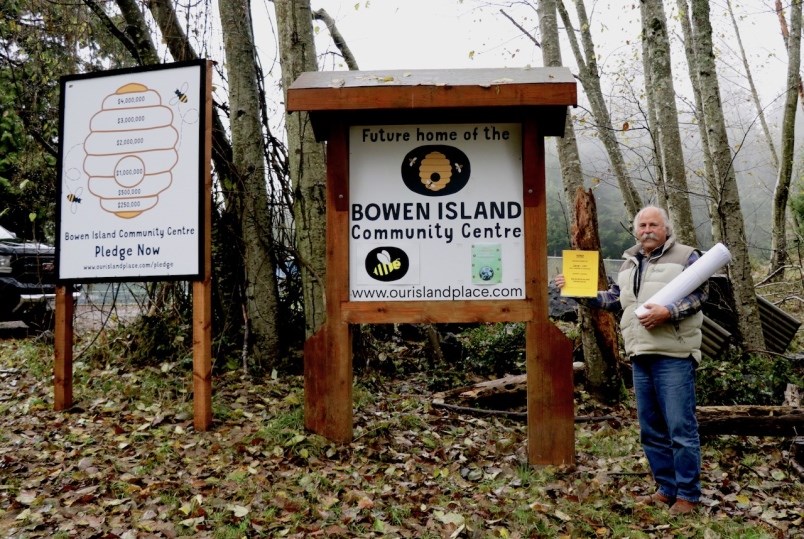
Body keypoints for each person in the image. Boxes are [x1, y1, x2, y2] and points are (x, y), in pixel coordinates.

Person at [555, 205, 707, 516]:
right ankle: (667, 489)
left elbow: (701, 294)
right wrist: (575, 290)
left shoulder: (687, 256)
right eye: (642, 226)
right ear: (635, 230)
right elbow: (612, 300)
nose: (648, 230)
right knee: (650, 429)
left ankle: (688, 496)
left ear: (665, 229)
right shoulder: (628, 264)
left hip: (674, 355)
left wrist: (669, 312)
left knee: (680, 428)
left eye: (654, 224)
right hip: (640, 356)